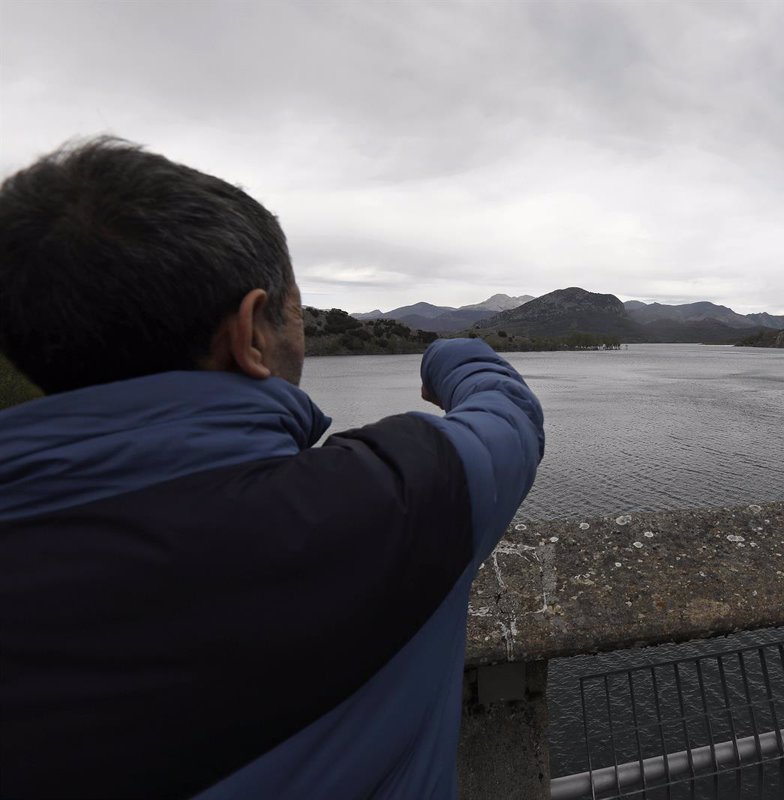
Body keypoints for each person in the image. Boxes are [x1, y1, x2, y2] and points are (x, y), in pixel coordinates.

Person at [0, 138, 544, 798]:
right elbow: (510, 416)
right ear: (252, 330)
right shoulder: (385, 506)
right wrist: (449, 354)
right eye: (293, 309)